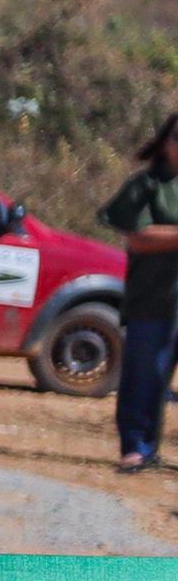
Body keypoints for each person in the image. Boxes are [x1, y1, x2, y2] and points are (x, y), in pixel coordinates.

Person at [100, 110, 178, 475]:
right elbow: (139, 237)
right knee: (145, 376)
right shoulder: (147, 186)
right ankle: (136, 448)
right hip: (154, 299)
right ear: (165, 143)